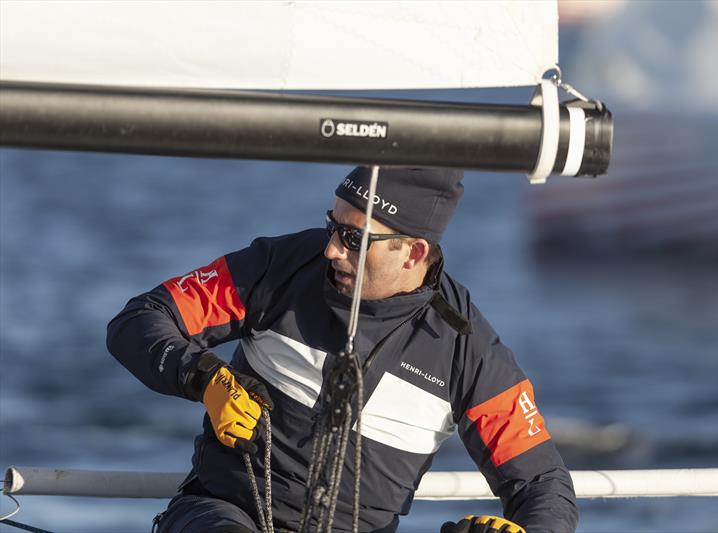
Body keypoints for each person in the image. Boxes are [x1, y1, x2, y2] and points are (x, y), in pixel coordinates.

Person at [107, 166, 578, 533]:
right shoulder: (279, 270)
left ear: (412, 253)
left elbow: (544, 485)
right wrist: (204, 378)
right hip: (220, 514)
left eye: (354, 239)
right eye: (332, 226)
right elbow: (141, 319)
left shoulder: (468, 349)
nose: (332, 249)